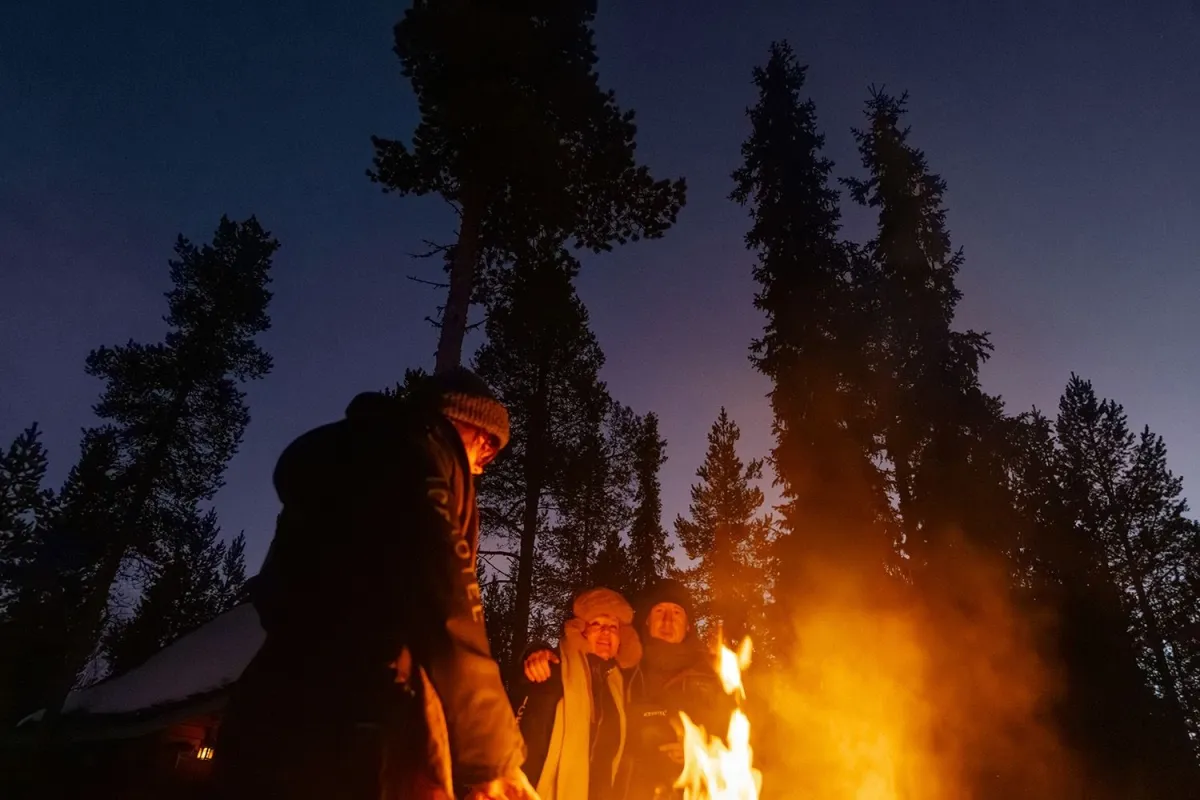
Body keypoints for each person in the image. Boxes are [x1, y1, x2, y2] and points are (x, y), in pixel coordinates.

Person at [211, 368, 536, 800]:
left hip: (269, 704)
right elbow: (446, 600)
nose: (480, 467)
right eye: (489, 449)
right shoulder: (416, 462)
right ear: (468, 427)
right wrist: (492, 755)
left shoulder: (341, 467)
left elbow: (274, 595)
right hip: (358, 728)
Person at [515, 588, 642, 800]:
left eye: (613, 627)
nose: (606, 632)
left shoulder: (619, 683)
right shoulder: (553, 670)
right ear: (581, 629)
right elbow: (526, 741)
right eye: (597, 624)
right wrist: (532, 655)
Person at [621, 579, 733, 800]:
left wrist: (698, 747)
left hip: (698, 791)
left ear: (688, 626)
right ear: (646, 621)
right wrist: (538, 653)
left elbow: (737, 734)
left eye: (677, 613)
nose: (667, 620)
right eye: (660, 611)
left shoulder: (713, 675)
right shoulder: (625, 671)